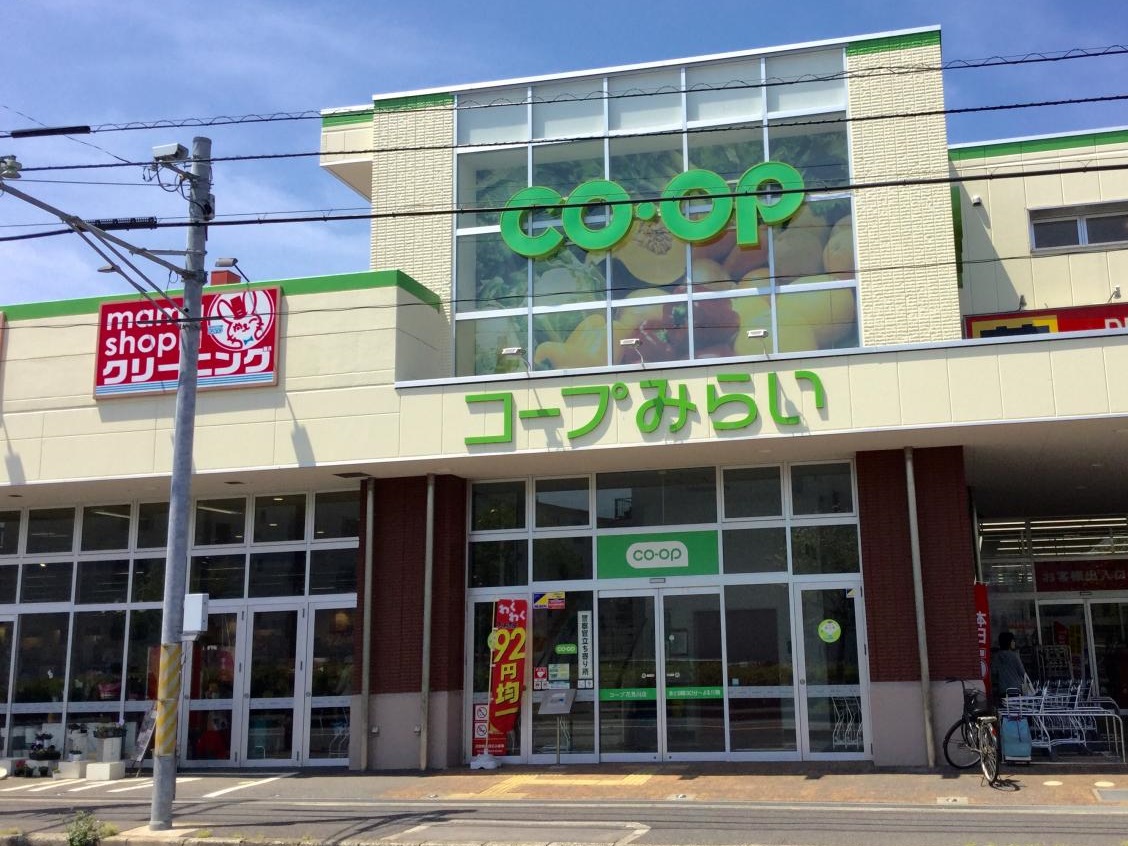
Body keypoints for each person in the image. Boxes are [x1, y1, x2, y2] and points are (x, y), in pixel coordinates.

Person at [994, 631, 1029, 699]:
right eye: (1013, 641)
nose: (1014, 642)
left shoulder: (996, 657)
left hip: (1003, 690)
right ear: (1009, 642)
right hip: (1016, 689)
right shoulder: (1014, 656)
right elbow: (1023, 673)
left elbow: (994, 672)